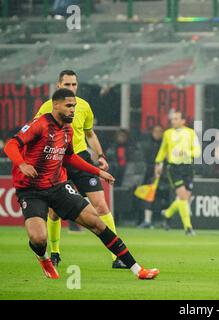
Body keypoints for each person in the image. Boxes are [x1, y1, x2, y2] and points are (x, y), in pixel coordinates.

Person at [3, 88, 159, 280]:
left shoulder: (67, 130)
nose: (72, 110)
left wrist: (98, 171)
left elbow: (70, 158)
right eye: (69, 106)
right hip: (31, 190)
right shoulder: (40, 125)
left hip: (57, 186)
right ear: (56, 105)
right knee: (38, 238)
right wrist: (23, 164)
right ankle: (44, 257)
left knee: (97, 222)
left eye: (74, 106)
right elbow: (11, 145)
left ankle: (138, 270)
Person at [35, 70, 125, 269]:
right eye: (67, 84)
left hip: (81, 158)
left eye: (74, 84)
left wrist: (100, 156)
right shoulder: (47, 107)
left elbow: (90, 134)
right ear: (59, 85)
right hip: (58, 159)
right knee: (55, 212)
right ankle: (55, 252)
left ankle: (117, 256)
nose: (71, 88)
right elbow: (36, 132)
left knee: (101, 206)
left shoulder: (83, 106)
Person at [154, 111, 201, 236]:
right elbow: (163, 150)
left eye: (176, 118)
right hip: (174, 168)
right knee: (183, 197)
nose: (173, 121)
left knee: (185, 197)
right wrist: (158, 164)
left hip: (188, 168)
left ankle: (167, 214)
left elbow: (197, 151)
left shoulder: (190, 133)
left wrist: (187, 153)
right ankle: (188, 228)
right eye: (172, 118)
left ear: (183, 121)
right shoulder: (168, 133)